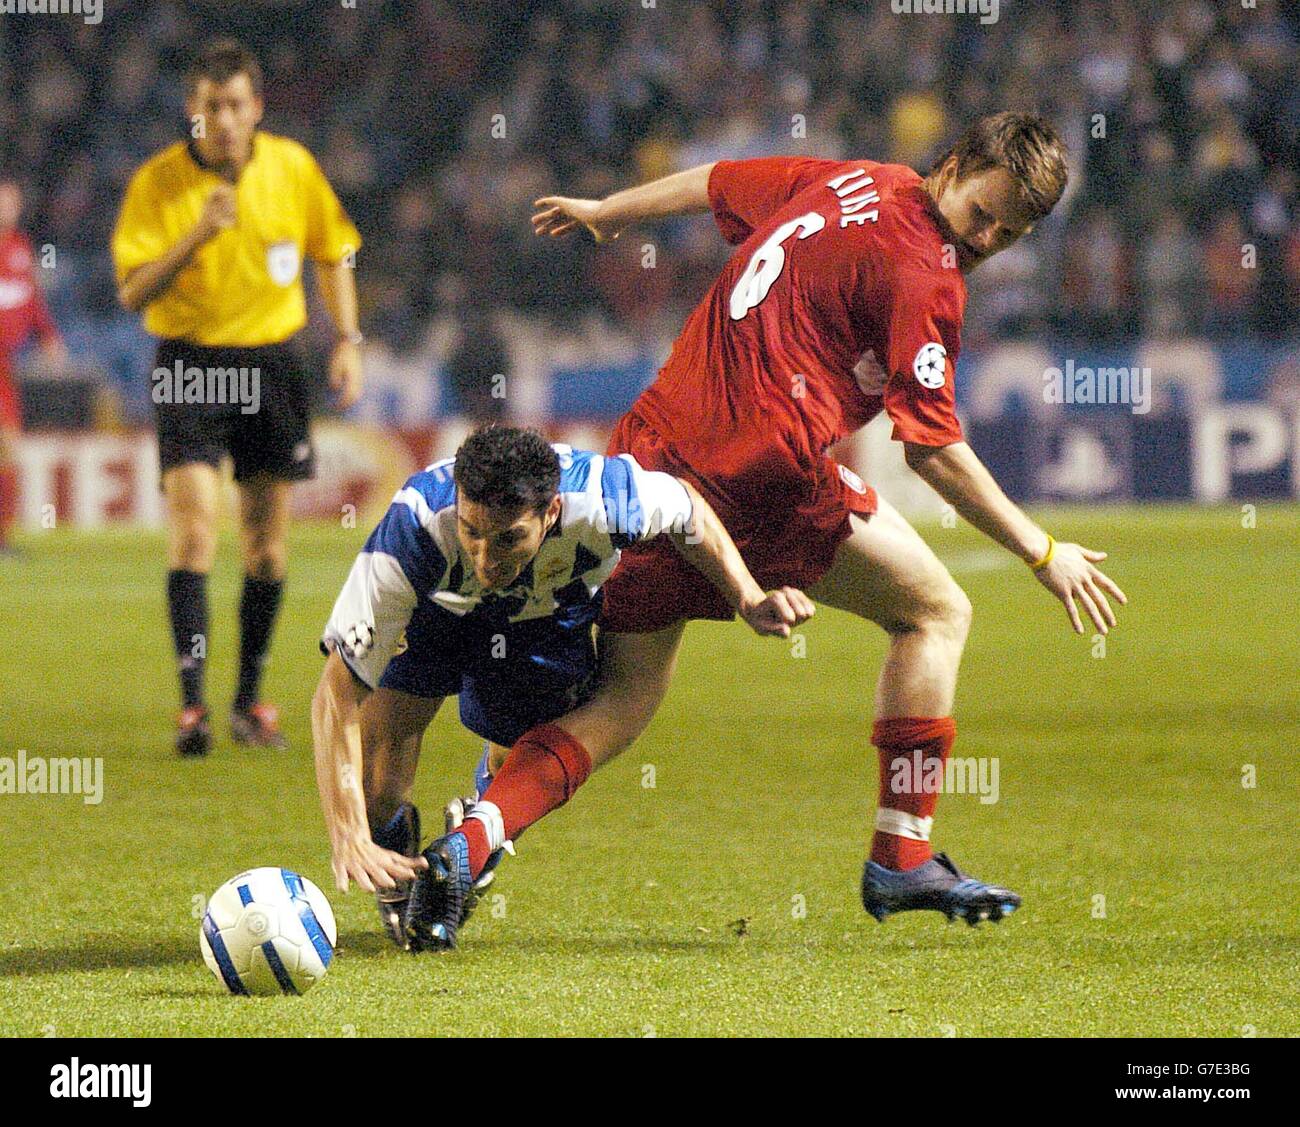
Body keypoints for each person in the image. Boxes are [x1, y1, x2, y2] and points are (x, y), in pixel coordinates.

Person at [404, 112, 1130, 944]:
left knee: (623, 699)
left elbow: (714, 180)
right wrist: (1042, 551)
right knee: (937, 612)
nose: (990, 238)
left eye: (1013, 231)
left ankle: (475, 837)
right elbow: (931, 450)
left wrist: (612, 211)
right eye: (983, 214)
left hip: (651, 454)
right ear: (955, 164)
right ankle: (902, 851)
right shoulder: (929, 277)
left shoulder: (853, 178)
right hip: (760, 484)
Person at [311, 425, 813, 950]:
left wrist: (749, 597)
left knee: (519, 763)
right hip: (434, 614)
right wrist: (350, 834)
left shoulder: (606, 499)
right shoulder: (411, 531)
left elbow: (689, 510)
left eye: (508, 539)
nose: (486, 558)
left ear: (551, 513)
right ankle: (399, 878)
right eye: (471, 532)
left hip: (544, 619)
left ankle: (469, 850)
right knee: (376, 788)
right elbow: (336, 697)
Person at [111, 39, 364, 756]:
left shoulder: (293, 168)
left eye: (235, 105)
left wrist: (347, 337)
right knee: (194, 529)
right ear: (192, 112)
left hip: (272, 366)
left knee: (266, 549)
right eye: (210, 106)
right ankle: (192, 707)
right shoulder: (157, 185)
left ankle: (249, 699)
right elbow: (132, 292)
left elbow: (334, 249)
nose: (223, 119)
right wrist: (197, 233)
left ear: (256, 109)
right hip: (190, 364)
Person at [0, 178, 66, 554]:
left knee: (7, 449)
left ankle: (3, 538)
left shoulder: (21, 247)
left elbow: (31, 299)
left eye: (10, 202)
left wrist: (47, 335)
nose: (5, 209)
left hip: (6, 367)